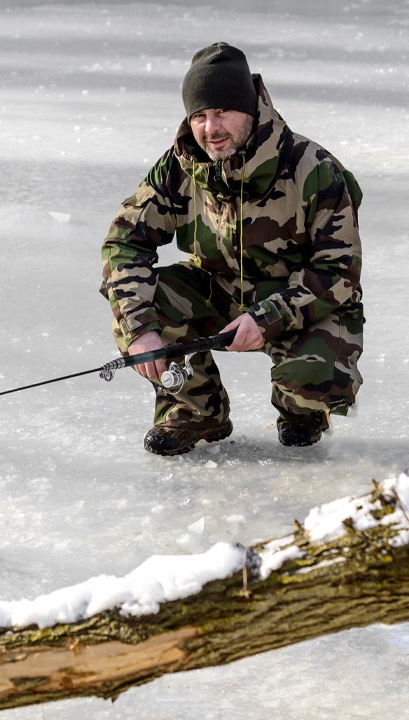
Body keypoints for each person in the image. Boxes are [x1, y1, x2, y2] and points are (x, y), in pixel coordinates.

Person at [100, 42, 364, 456]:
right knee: (143, 301)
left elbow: (340, 268)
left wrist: (269, 316)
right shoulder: (180, 166)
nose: (211, 128)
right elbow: (124, 243)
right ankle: (196, 410)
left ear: (251, 109)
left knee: (310, 388)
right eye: (200, 115)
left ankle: (303, 413)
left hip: (300, 298)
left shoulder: (312, 167)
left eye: (223, 111)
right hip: (217, 288)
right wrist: (140, 329)